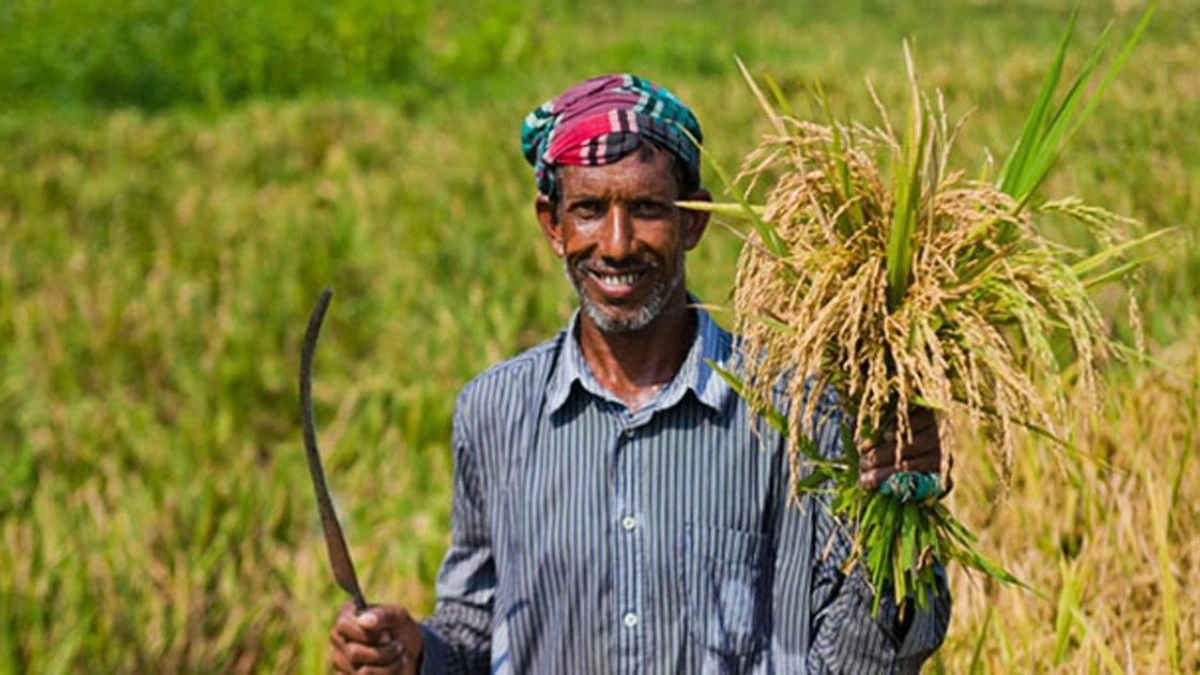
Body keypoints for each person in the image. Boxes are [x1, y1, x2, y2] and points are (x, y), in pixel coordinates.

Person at [330, 74, 951, 674]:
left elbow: (864, 660)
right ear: (553, 224)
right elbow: (479, 630)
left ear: (695, 222)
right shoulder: (495, 411)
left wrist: (896, 529)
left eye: (649, 208)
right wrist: (416, 656)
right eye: (590, 210)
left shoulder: (797, 411)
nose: (619, 244)